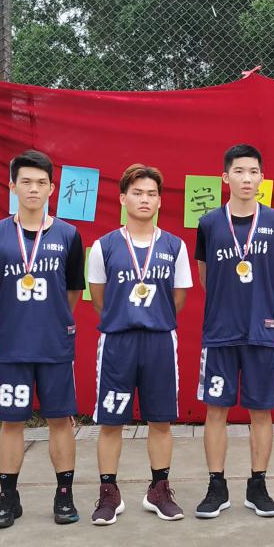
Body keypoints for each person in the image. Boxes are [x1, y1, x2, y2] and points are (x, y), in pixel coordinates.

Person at [0, 150, 85, 528]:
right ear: (12, 186)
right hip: (13, 346)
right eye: (26, 182)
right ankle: (8, 497)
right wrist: (13, 322)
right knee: (11, 422)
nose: (34, 189)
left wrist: (51, 320)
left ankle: (64, 495)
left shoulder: (69, 235)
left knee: (60, 420)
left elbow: (72, 292)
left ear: (52, 188)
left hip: (54, 345)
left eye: (41, 183)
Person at [87, 164, 193, 524]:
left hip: (159, 341)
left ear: (160, 201)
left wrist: (151, 318)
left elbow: (178, 298)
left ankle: (158, 490)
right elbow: (99, 298)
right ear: (123, 198)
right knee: (111, 421)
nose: (144, 199)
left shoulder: (175, 246)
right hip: (117, 341)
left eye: (151, 194)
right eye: (137, 193)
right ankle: (109, 493)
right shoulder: (104, 246)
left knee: (160, 420)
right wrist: (126, 317)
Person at [193, 145, 274, 519]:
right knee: (215, 410)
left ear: (262, 178)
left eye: (253, 172)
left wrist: (260, 306)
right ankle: (216, 486)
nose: (246, 178)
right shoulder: (209, 223)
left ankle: (257, 485)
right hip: (220, 331)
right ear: (225, 177)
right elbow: (206, 277)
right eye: (239, 171)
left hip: (261, 330)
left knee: (261, 412)